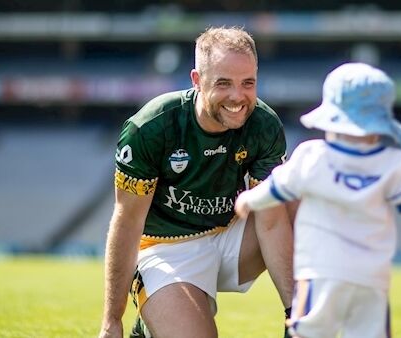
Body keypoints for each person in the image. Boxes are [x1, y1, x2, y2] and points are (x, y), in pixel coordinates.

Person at [98, 26, 294, 338]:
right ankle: (152, 318)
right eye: (223, 83)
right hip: (165, 250)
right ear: (196, 80)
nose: (238, 96)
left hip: (231, 240)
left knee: (298, 196)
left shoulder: (264, 124)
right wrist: (112, 320)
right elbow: (127, 221)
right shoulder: (151, 126)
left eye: (248, 83)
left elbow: (271, 221)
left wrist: (295, 314)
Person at [235, 63, 401, 338]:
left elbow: (275, 189)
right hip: (372, 275)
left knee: (310, 331)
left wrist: (248, 200)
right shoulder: (393, 162)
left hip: (321, 270)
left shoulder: (312, 155)